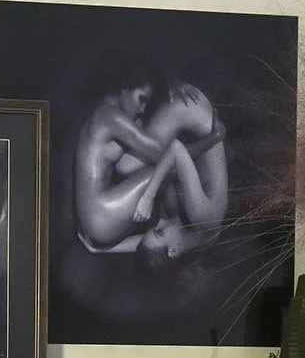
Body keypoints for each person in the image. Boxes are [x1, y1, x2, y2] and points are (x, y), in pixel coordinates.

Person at [74, 82, 227, 260]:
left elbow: (146, 244)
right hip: (195, 108)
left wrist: (103, 249)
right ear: (174, 251)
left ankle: (169, 85)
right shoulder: (203, 219)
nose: (159, 221)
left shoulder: (194, 240)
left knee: (127, 165)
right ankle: (171, 88)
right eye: (159, 231)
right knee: (135, 166)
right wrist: (148, 196)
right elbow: (175, 150)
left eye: (156, 229)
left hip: (191, 117)